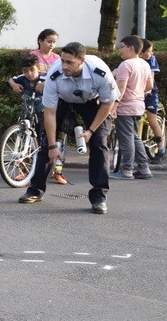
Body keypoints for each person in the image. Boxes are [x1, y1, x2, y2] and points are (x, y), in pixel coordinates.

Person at [18, 42, 120, 214]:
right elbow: (49, 113)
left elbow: (108, 103)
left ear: (82, 60)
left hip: (93, 103)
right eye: (63, 60)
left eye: (69, 62)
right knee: (45, 144)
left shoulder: (99, 72)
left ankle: (99, 197)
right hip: (63, 101)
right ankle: (35, 190)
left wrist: (91, 130)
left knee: (99, 144)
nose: (64, 65)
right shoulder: (54, 75)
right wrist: (52, 146)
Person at [30, 28, 69, 184]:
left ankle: (58, 170)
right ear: (40, 41)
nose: (52, 44)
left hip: (55, 98)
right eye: (49, 41)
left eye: (54, 42)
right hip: (37, 98)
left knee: (60, 134)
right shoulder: (34, 56)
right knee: (36, 134)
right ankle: (27, 169)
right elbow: (27, 74)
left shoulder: (58, 58)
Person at [111, 35, 154, 179]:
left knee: (127, 140)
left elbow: (120, 89)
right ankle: (144, 169)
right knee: (135, 138)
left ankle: (126, 170)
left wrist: (113, 107)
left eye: (122, 47)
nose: (120, 50)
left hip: (125, 107)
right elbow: (149, 86)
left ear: (131, 48)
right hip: (138, 106)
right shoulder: (144, 64)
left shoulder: (126, 65)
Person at [140, 39, 167, 163]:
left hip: (150, 93)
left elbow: (151, 76)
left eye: (151, 51)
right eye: (149, 51)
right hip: (136, 93)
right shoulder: (132, 59)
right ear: (140, 52)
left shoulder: (151, 59)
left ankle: (161, 151)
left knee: (152, 120)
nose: (151, 53)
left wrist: (147, 90)